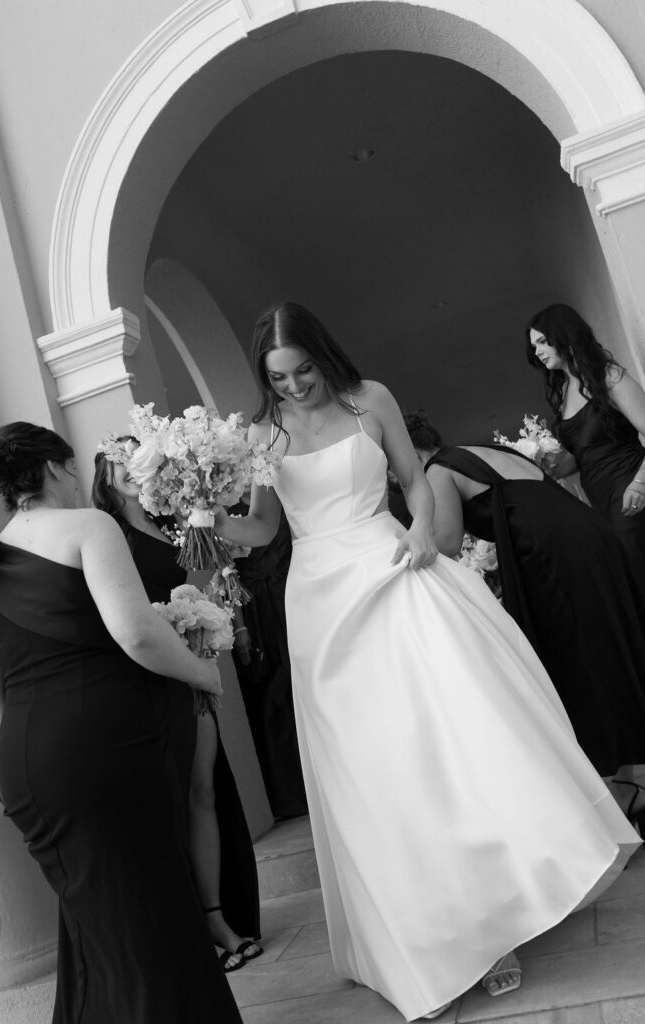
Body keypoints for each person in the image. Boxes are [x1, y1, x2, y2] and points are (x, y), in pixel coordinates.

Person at [211, 301, 641, 1022]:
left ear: (323, 355)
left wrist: (418, 532)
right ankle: (420, 941)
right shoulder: (261, 435)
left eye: (303, 369)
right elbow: (260, 527)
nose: (293, 387)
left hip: (395, 571)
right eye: (278, 377)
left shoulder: (368, 399)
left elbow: (414, 479)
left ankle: (495, 926)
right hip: (320, 600)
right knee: (371, 769)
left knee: (450, 740)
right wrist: (201, 517)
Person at [0, 422, 242, 1024]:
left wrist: (39, 749)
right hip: (104, 749)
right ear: (58, 468)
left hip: (30, 763)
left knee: (96, 922)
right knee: (150, 909)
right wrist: (203, 674)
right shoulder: (90, 526)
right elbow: (137, 632)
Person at [407, 410, 645, 809]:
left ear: (413, 451)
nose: (397, 480)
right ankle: (628, 780)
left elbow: (446, 544)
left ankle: (622, 789)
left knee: (579, 663)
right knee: (615, 647)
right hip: (591, 537)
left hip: (555, 556)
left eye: (394, 469)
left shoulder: (437, 470)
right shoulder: (478, 449)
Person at [91, 441, 261, 973]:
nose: (134, 465)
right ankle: (179, 931)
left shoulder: (173, 526)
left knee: (204, 788)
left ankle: (215, 914)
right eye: (122, 458)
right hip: (139, 676)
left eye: (140, 456)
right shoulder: (103, 534)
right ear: (104, 471)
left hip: (188, 663)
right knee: (163, 801)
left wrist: (222, 620)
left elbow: (207, 580)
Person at [526, 303, 645, 576]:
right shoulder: (563, 391)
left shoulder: (608, 376)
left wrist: (640, 485)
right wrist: (542, 465)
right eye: (534, 346)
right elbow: (585, 455)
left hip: (630, 488)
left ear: (564, 335)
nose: (538, 351)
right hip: (600, 499)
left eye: (543, 341)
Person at [229, 495, 307, 821]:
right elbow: (226, 573)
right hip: (260, 611)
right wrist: (240, 627)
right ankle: (292, 793)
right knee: (276, 696)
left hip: (296, 597)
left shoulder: (284, 494)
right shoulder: (227, 508)